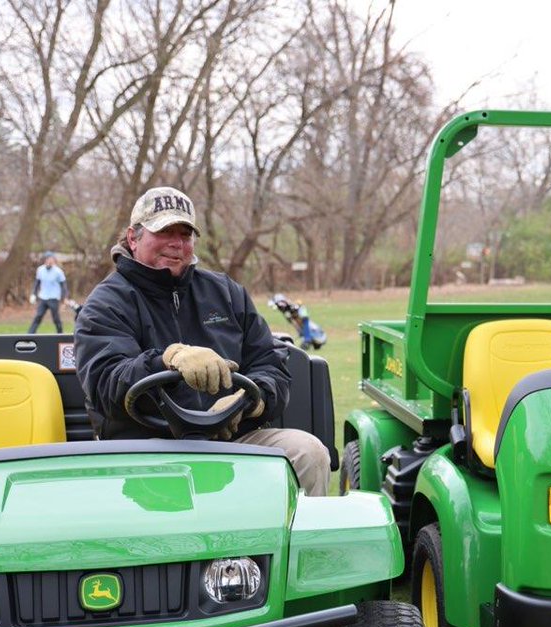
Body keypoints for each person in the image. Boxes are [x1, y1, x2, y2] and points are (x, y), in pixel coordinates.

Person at [74, 186, 330, 496]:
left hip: (232, 443)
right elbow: (106, 385)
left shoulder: (225, 292)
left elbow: (270, 364)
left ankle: (294, 544)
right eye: (164, 231)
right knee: (168, 496)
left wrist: (248, 403)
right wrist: (166, 359)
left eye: (185, 234)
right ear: (133, 237)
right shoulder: (106, 303)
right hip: (146, 448)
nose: (176, 243)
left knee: (307, 452)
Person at [27, 251, 68, 333]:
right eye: (48, 259)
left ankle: (60, 334)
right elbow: (37, 283)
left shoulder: (58, 271)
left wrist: (65, 298)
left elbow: (63, 286)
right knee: (38, 316)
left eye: (51, 259)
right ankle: (30, 334)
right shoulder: (40, 270)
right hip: (43, 297)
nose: (50, 261)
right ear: (45, 260)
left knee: (56, 318)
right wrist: (33, 294)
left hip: (54, 298)